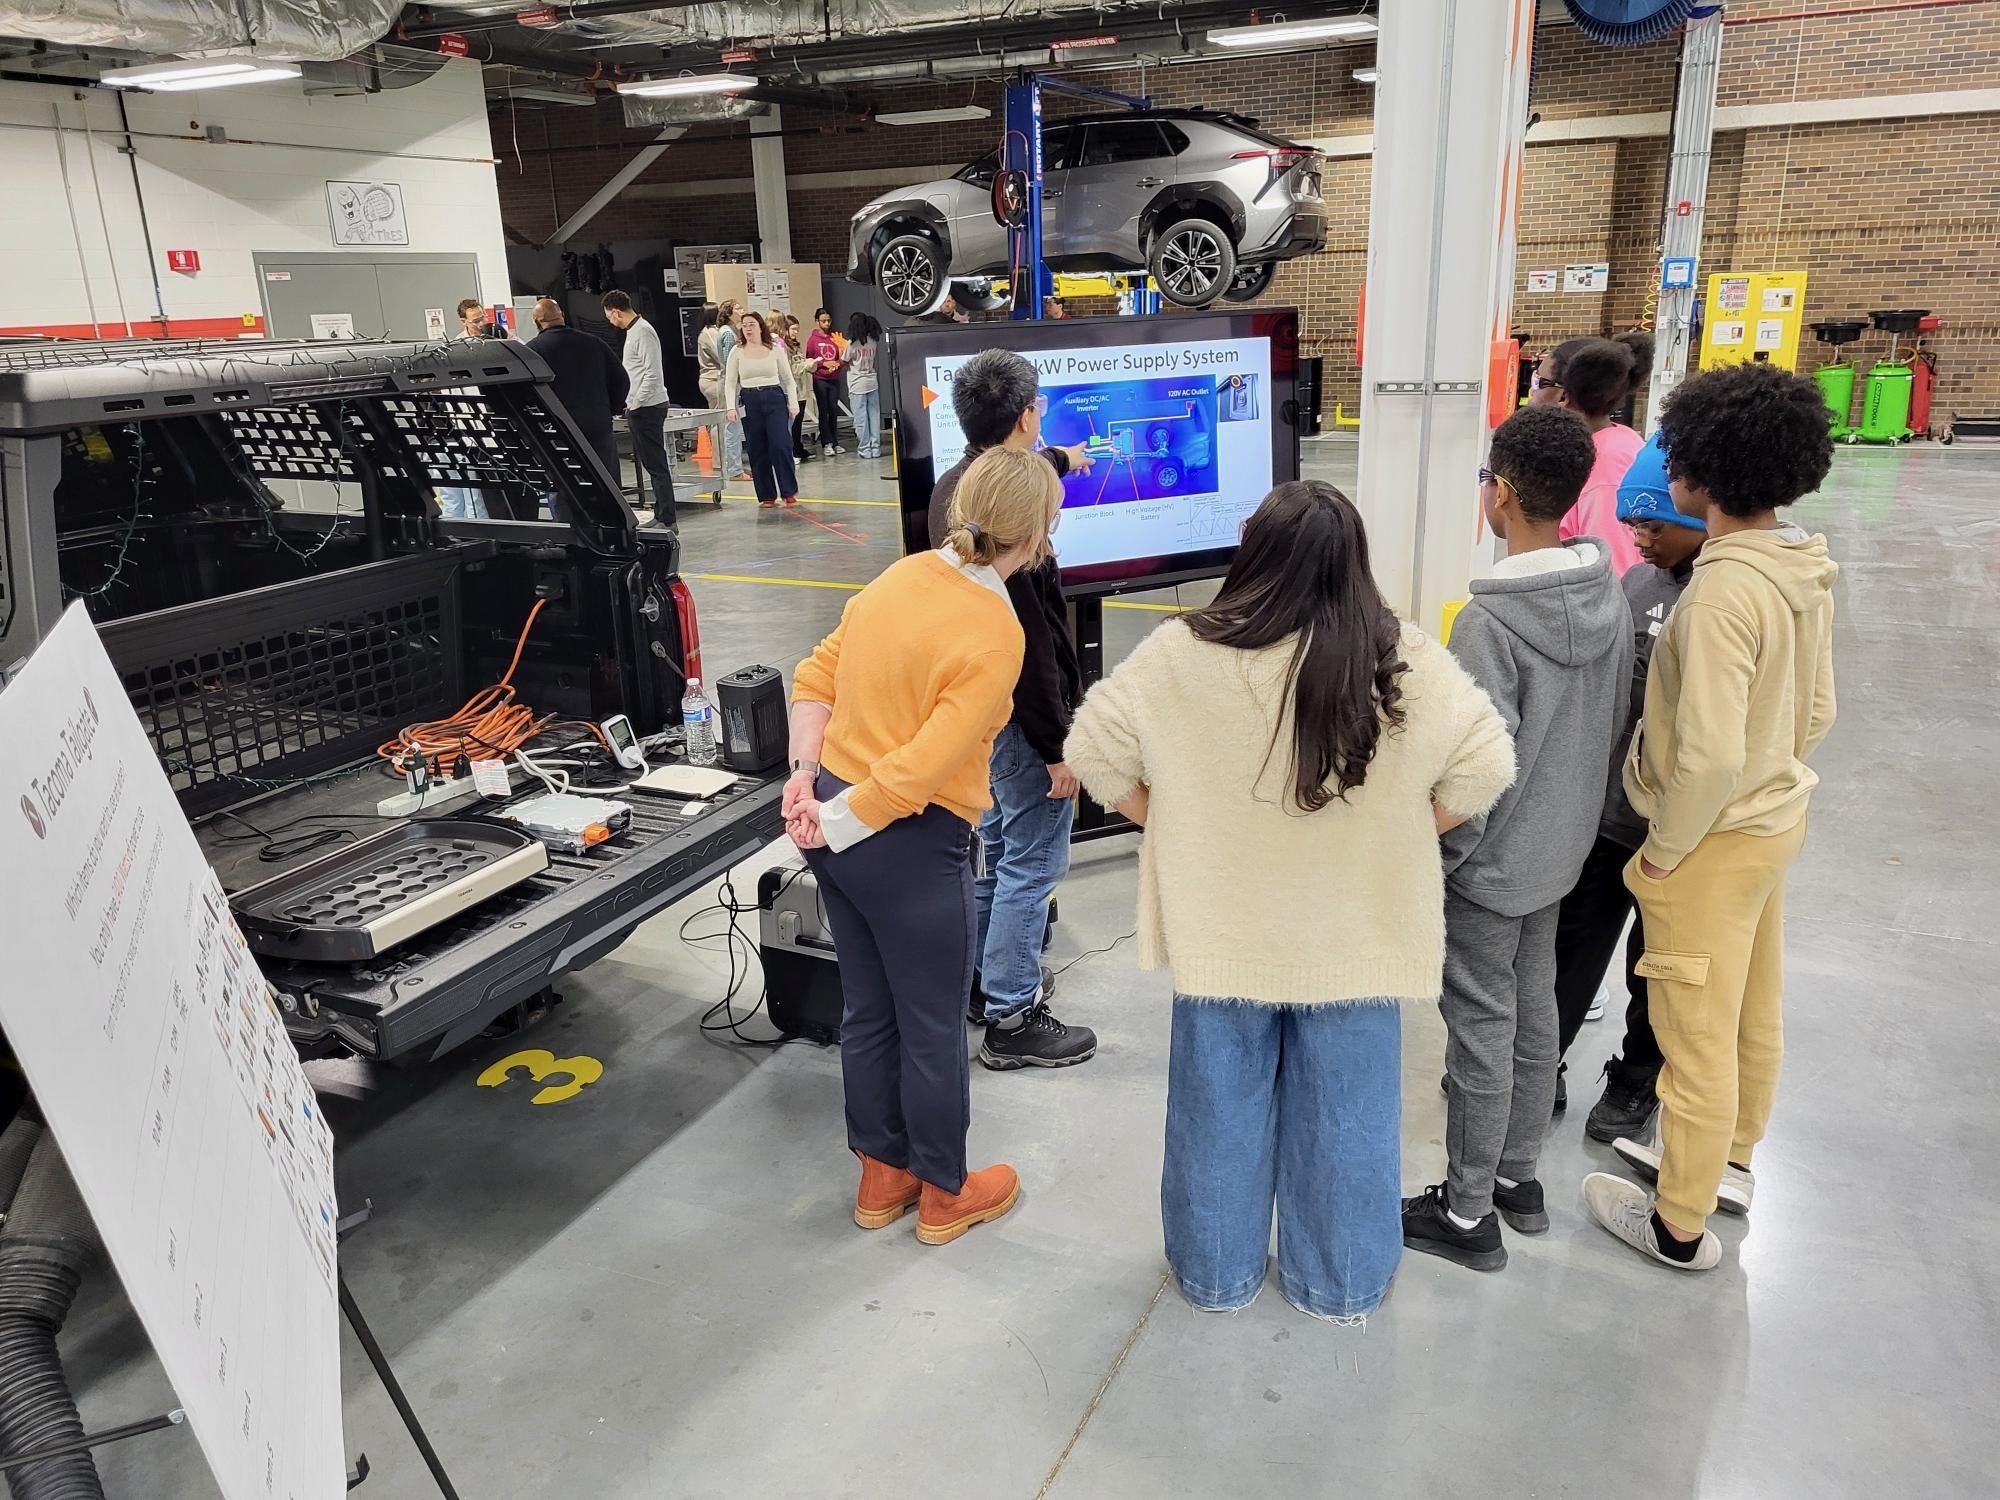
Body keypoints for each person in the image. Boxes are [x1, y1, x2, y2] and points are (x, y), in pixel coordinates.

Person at [1064, 482, 1514, 1319]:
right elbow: (1486, 766)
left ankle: (1215, 1273)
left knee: (1215, 1115)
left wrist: (1171, 823)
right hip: (1357, 938)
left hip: (1222, 931)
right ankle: (1338, 1284)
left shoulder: (1178, 653)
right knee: (1349, 1124)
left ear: (1253, 555)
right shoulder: (1401, 656)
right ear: (1356, 563)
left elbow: (1092, 752)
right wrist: (1407, 828)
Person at [1583, 362, 1837, 1272]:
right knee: (1749, 1007)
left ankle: (1677, 1222)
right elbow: (1817, 715)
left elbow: (1710, 755)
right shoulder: (1800, 566)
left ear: (1696, 475)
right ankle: (1729, 1161)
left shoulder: (1720, 593)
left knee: (1692, 1030)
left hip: (1711, 841)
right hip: (1776, 820)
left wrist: (1664, 851)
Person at [782, 446, 1065, 1246]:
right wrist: (836, 820)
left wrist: (806, 784)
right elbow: (919, 771)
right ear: (1038, 535)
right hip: (898, 840)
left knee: (869, 1010)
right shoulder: (994, 632)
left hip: (834, 813)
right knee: (935, 1024)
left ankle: (882, 1174)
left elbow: (816, 675)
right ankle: (944, 1190)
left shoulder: (900, 577)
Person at [1402, 405, 1631, 1274]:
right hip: (1562, 850)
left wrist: (1442, 854)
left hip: (1493, 865)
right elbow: (1611, 724)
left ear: (1499, 493)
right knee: (1536, 1017)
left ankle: (1465, 1216)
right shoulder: (1604, 590)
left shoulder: (1489, 622)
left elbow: (1476, 772)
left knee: (1481, 1031)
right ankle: (1517, 1181)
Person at [917, 352, 1097, 1068]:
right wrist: (1059, 749)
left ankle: (983, 985)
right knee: (1030, 866)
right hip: (1024, 727)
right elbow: (1035, 657)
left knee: (992, 862)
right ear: (1025, 415)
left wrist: (1057, 457)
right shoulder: (1012, 525)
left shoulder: (954, 492)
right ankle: (1014, 1017)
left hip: (977, 724)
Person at [1554, 432, 1707, 1146]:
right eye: (1633, 524)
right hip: (1613, 815)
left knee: (1658, 966)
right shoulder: (1637, 584)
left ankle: (1637, 1075)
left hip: (1682, 837)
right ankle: (1537, 1057)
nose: (1640, 538)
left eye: (1655, 524)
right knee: (1572, 945)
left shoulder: (1719, 598)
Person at [1530, 332, 1653, 575]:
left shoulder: (1603, 469)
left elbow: (1614, 574)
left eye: (1539, 383)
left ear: (1564, 396)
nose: (1532, 394)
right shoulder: (1619, 439)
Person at [526, 297, 628, 491]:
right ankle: (612, 519)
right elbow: (622, 380)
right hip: (597, 422)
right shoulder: (594, 343)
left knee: (567, 488)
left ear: (537, 322)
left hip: (559, 429)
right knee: (606, 483)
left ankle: (572, 522)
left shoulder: (533, 351)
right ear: (562, 316)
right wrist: (609, 408)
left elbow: (526, 396)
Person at [600, 289, 677, 530]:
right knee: (651, 464)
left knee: (656, 464)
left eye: (609, 317)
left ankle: (668, 517)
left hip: (648, 406)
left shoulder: (642, 331)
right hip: (641, 405)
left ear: (615, 312)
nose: (610, 322)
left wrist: (636, 402)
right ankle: (661, 512)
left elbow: (652, 373)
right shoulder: (634, 332)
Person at [724, 311, 800, 508]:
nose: (748, 328)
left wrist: (793, 403)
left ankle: (788, 491)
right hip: (750, 399)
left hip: (774, 397)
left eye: (752, 324)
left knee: (781, 444)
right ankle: (766, 495)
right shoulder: (737, 351)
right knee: (757, 448)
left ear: (760, 327)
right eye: (745, 325)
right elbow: (730, 383)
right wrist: (730, 407)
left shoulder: (775, 349)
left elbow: (789, 380)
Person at [698, 301, 746, 482]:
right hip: (722, 382)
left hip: (728, 381)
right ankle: (730, 467)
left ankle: (731, 465)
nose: (742, 310)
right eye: (739, 308)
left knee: (730, 424)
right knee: (728, 425)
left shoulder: (728, 331)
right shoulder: (724, 333)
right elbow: (727, 361)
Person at [808, 309, 847, 456]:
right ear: (817, 321)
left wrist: (837, 363)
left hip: (834, 378)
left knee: (833, 410)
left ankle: (835, 441)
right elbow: (809, 361)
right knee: (823, 411)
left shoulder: (834, 337)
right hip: (820, 379)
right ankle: (826, 442)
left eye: (828, 320)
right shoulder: (813, 340)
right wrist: (824, 364)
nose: (826, 323)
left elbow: (843, 355)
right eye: (823, 321)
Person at [845, 313, 884, 460]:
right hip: (872, 382)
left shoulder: (852, 344)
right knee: (874, 416)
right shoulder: (873, 341)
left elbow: (845, 360)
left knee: (860, 419)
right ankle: (876, 448)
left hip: (856, 384)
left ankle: (864, 449)